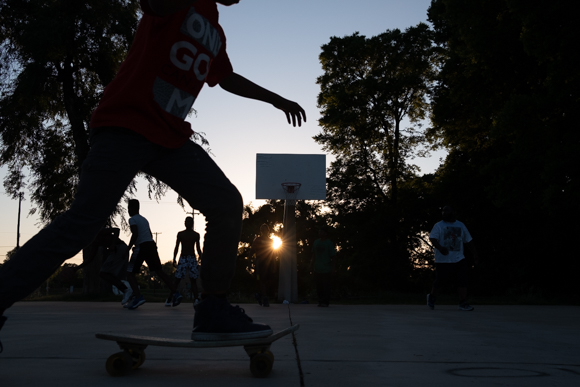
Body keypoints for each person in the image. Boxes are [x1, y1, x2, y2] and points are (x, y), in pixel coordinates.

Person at [0, 0, 305, 344]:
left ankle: (213, 309)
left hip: (168, 138)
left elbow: (226, 77)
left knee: (226, 203)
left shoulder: (215, 33)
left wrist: (276, 99)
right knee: (82, 224)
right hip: (124, 127)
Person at [125, 199, 182, 309]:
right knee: (159, 271)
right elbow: (149, 234)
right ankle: (176, 293)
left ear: (132, 209)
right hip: (151, 245)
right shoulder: (144, 220)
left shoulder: (132, 219)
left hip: (142, 246)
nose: (128, 211)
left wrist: (128, 248)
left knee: (129, 272)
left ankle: (138, 297)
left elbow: (135, 234)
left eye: (128, 209)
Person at [427, 205, 479, 311]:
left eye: (446, 212)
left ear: (452, 213)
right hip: (443, 259)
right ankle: (432, 297)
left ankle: (463, 302)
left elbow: (468, 240)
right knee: (441, 281)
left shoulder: (460, 225)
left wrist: (475, 254)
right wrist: (440, 248)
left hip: (459, 258)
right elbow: (433, 238)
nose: (444, 214)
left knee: (462, 279)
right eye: (443, 212)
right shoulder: (439, 225)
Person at [73, 227, 133, 306]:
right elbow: (90, 259)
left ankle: (126, 291)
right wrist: (76, 268)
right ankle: (131, 297)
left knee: (104, 273)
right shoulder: (94, 243)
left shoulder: (98, 232)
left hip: (119, 248)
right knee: (111, 275)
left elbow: (116, 230)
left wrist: (112, 244)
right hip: (118, 250)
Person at [167, 216, 202, 306]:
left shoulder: (196, 235)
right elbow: (177, 247)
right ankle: (169, 299)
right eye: (186, 221)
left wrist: (201, 257)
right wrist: (174, 258)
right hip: (183, 257)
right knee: (177, 279)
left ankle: (196, 299)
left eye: (189, 222)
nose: (187, 223)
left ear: (192, 223)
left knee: (193, 279)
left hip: (191, 257)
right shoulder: (181, 234)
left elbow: (198, 248)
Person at [248, 224, 276, 307]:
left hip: (269, 263)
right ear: (261, 231)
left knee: (268, 280)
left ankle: (260, 295)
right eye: (263, 230)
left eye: (266, 230)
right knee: (261, 280)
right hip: (260, 263)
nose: (264, 231)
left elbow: (273, 253)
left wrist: (274, 264)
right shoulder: (257, 240)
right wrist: (249, 263)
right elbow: (251, 252)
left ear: (268, 231)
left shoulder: (270, 241)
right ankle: (264, 297)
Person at [310, 228, 337, 307]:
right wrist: (311, 265)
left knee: (326, 286)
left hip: (326, 269)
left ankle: (326, 301)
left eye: (322, 231)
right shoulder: (316, 242)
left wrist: (333, 268)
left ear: (325, 233)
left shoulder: (329, 243)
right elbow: (313, 255)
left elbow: (333, 256)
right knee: (319, 286)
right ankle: (320, 301)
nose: (320, 232)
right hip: (317, 268)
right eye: (319, 231)